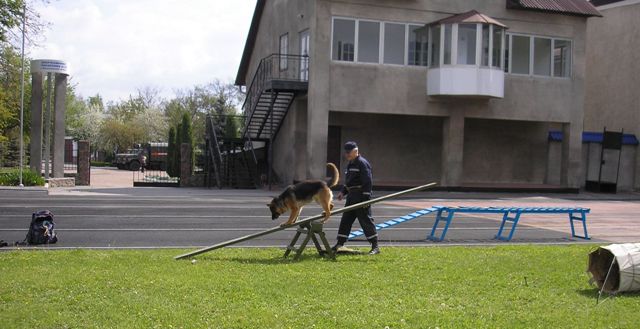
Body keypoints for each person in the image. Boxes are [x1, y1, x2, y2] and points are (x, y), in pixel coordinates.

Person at [334, 141, 379, 255]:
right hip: (351, 196)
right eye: (346, 152)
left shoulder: (362, 163)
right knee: (346, 220)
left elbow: (367, 182)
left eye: (349, 152)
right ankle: (340, 243)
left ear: (356, 151)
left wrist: (365, 199)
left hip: (360, 195)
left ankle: (375, 246)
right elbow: (349, 181)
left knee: (365, 220)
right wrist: (343, 192)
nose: (347, 154)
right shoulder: (350, 164)